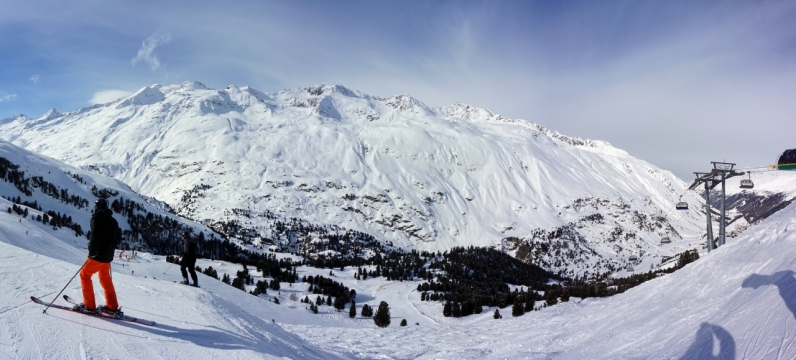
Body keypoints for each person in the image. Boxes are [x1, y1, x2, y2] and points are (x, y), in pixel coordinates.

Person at [75, 198, 122, 316]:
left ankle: (89, 306)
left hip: (99, 255)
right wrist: (110, 249)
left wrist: (92, 252)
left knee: (84, 275)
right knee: (105, 278)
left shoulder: (96, 218)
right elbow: (118, 237)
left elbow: (94, 236)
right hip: (108, 256)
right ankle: (112, 307)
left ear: (96, 207)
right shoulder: (113, 220)